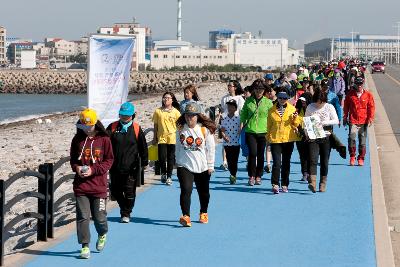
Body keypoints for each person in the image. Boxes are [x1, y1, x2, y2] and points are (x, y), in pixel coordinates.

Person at [70, 108, 114, 259]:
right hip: (81, 186)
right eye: (84, 125)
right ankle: (85, 246)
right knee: (83, 216)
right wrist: (77, 168)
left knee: (99, 217)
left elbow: (109, 160)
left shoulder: (104, 139)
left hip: (99, 186)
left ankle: (102, 233)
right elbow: (73, 160)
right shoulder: (77, 140)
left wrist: (93, 170)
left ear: (95, 123)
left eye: (90, 125)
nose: (87, 129)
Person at [175, 102, 216, 227]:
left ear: (197, 116)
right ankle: (186, 216)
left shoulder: (204, 130)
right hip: (184, 165)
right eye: (187, 115)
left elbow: (211, 148)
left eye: (192, 115)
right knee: (186, 190)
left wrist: (210, 165)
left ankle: (203, 212)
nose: (189, 118)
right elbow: (177, 146)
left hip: (202, 166)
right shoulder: (181, 129)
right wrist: (177, 161)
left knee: (203, 192)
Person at [107, 102, 148, 223]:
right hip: (115, 167)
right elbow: (104, 143)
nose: (124, 117)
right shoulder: (112, 127)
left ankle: (126, 213)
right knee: (116, 190)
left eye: (127, 115)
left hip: (131, 167)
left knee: (129, 191)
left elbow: (143, 147)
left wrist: (145, 162)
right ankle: (123, 207)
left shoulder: (136, 128)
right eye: (122, 115)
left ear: (133, 115)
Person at [305, 88, 339, 193]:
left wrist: (324, 122)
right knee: (313, 159)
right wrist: (306, 133)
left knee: (324, 161)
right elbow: (306, 120)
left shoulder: (329, 107)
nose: (319, 104)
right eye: (317, 101)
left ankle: (323, 183)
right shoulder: (310, 107)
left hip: (326, 136)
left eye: (321, 102)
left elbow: (336, 120)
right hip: (313, 136)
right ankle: (313, 183)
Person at [267, 91, 301, 194]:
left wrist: (295, 118)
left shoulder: (292, 109)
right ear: (277, 98)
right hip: (275, 139)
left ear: (287, 99)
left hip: (288, 139)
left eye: (285, 98)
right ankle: (275, 184)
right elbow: (268, 126)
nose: (282, 100)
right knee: (277, 163)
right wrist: (267, 139)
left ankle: (285, 184)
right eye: (280, 98)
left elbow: (296, 124)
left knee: (286, 163)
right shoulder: (271, 110)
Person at [240, 79, 273, 186]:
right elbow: (244, 113)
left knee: (260, 154)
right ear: (253, 89)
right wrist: (241, 124)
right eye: (257, 89)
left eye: (261, 89)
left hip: (264, 132)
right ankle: (251, 176)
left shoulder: (268, 102)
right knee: (252, 153)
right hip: (250, 130)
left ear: (264, 90)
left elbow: (272, 117)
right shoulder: (248, 100)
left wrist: (271, 129)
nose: (259, 91)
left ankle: (259, 175)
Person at [343, 76, 375, 166]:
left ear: (363, 84)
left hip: (363, 121)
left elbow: (371, 107)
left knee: (362, 141)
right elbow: (346, 106)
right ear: (355, 84)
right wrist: (345, 117)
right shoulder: (350, 94)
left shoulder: (368, 95)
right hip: (353, 120)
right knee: (352, 138)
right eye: (357, 84)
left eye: (361, 83)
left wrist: (370, 118)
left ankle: (361, 158)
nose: (359, 85)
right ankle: (352, 156)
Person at [152, 92, 181, 185]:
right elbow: (155, 125)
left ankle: (169, 176)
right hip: (161, 137)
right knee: (162, 157)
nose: (166, 99)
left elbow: (179, 126)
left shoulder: (176, 112)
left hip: (172, 137)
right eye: (164, 98)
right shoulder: (158, 111)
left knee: (170, 158)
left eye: (168, 98)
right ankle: (163, 173)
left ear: (172, 100)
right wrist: (154, 137)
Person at [218, 80, 245, 170]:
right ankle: (224, 162)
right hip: (226, 122)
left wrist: (241, 125)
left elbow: (242, 112)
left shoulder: (240, 99)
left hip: (236, 122)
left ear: (235, 87)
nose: (228, 87)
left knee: (238, 144)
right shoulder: (224, 98)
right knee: (225, 143)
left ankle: (239, 161)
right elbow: (222, 110)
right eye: (228, 85)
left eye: (230, 85)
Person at [220, 99, 241, 184]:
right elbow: (222, 129)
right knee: (229, 159)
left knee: (235, 160)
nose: (229, 108)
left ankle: (233, 175)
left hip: (236, 142)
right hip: (227, 143)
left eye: (232, 106)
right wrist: (224, 136)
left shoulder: (239, 119)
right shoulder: (224, 119)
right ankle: (231, 173)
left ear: (235, 109)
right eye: (228, 106)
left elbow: (241, 128)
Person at [295, 96, 311, 181]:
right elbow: (294, 122)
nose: (303, 102)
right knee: (302, 156)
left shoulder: (312, 110)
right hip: (300, 136)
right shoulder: (297, 110)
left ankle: (310, 172)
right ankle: (304, 173)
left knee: (310, 155)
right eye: (301, 101)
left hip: (310, 136)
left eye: (304, 101)